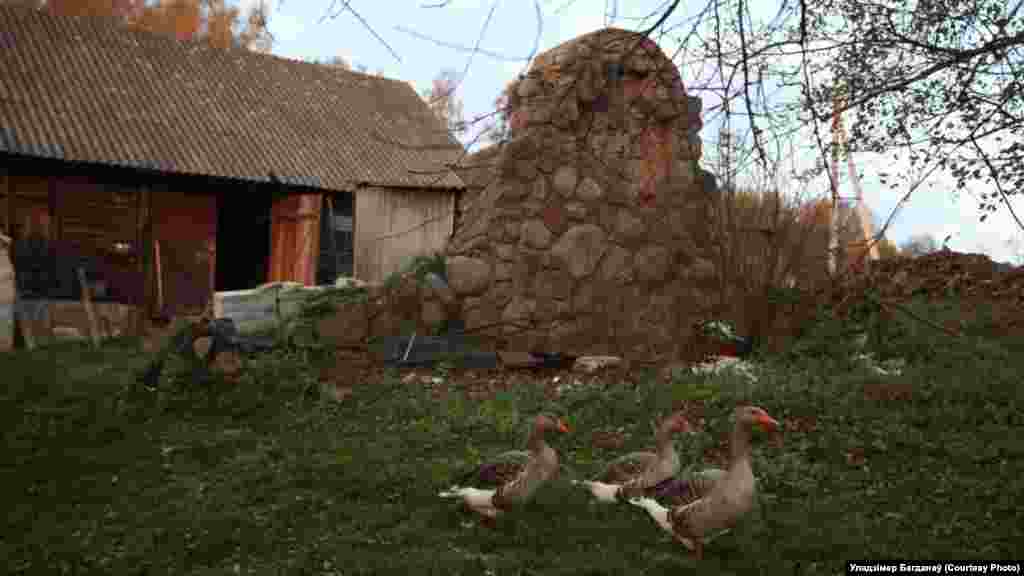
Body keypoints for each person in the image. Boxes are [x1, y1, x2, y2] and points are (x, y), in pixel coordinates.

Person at [13, 208, 56, 348]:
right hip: (30, 293)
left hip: (36, 293)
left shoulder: (41, 244)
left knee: (36, 330)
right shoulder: (24, 244)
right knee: (30, 329)